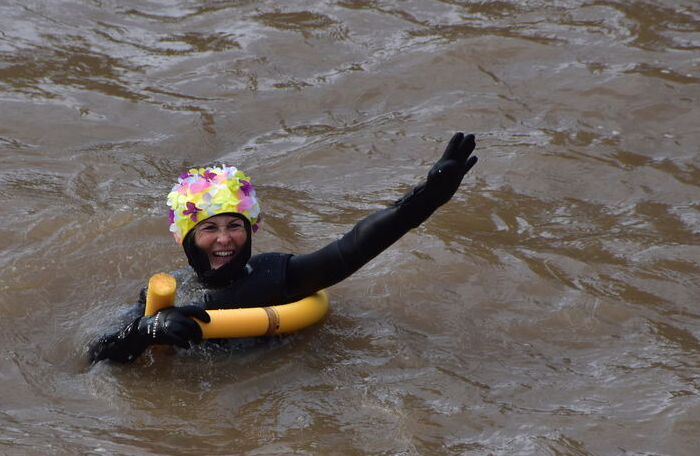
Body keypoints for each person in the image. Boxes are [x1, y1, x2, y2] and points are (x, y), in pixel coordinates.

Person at [87, 132, 478, 364]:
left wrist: (424, 200)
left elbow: (353, 247)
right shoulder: (166, 291)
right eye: (209, 229)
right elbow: (97, 359)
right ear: (186, 239)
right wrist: (145, 331)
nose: (224, 239)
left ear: (250, 229)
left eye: (235, 226)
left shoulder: (275, 276)